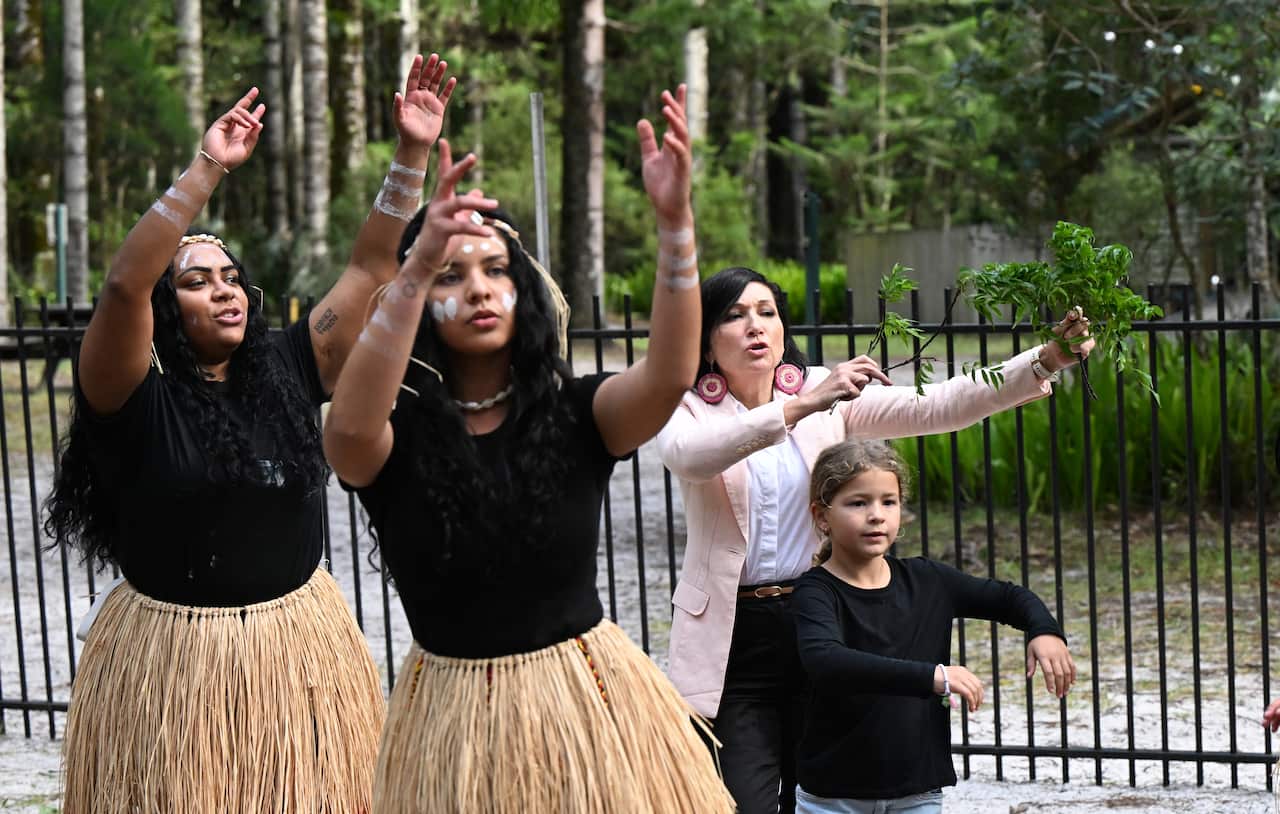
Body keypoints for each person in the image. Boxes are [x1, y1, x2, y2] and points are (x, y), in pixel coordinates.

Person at [43, 54, 457, 812]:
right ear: (167, 310)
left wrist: (410, 156)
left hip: (296, 654)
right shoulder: (129, 393)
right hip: (169, 671)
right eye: (195, 282)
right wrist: (208, 166)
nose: (222, 291)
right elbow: (125, 283)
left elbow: (370, 268)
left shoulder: (290, 368)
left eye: (230, 276)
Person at [322, 85, 733, 813]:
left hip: (585, 711)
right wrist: (414, 267)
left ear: (524, 289)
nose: (477, 289)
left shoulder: (578, 415)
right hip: (449, 727)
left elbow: (671, 375)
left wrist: (676, 225)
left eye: (494, 270)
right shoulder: (393, 436)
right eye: (452, 275)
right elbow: (347, 432)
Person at [656, 265, 1095, 813]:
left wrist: (1044, 360)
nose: (755, 327)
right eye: (735, 315)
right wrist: (801, 405)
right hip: (732, 637)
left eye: (766, 313)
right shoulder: (691, 405)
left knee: (824, 792)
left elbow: (938, 404)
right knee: (742, 800)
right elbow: (691, 458)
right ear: (706, 339)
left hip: (823, 616)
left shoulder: (824, 393)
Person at [791, 438, 1075, 813]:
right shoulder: (816, 590)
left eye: (887, 502)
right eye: (858, 502)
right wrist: (933, 676)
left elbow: (1010, 598)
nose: (876, 515)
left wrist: (1045, 630)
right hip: (833, 797)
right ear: (822, 515)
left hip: (918, 792)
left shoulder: (928, 580)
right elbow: (826, 660)